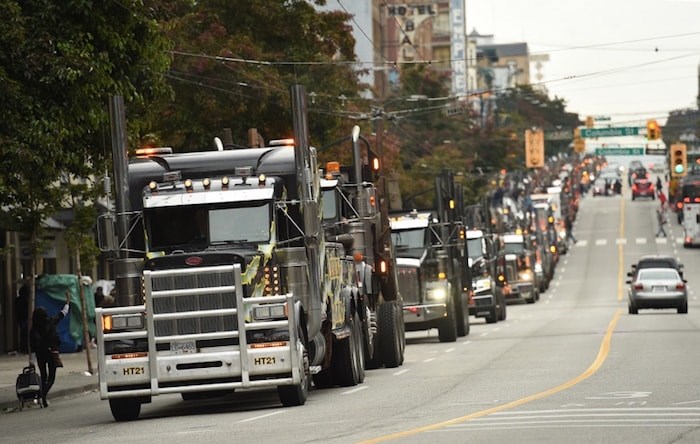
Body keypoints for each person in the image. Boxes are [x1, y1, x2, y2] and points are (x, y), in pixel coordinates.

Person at [30, 290, 70, 407]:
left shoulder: (33, 329)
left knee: (43, 376)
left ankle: (43, 397)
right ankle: (43, 396)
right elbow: (63, 313)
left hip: (39, 354)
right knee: (51, 377)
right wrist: (67, 301)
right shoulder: (51, 321)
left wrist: (31, 360)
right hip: (52, 352)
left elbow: (31, 346)